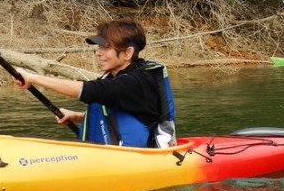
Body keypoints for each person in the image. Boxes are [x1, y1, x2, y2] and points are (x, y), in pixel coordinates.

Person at [12, 20, 176, 148]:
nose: (98, 52)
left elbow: (89, 90)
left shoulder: (136, 81)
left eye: (106, 47)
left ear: (128, 52)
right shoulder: (116, 77)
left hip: (135, 158)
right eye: (99, 47)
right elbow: (125, 113)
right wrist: (78, 117)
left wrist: (33, 78)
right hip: (110, 156)